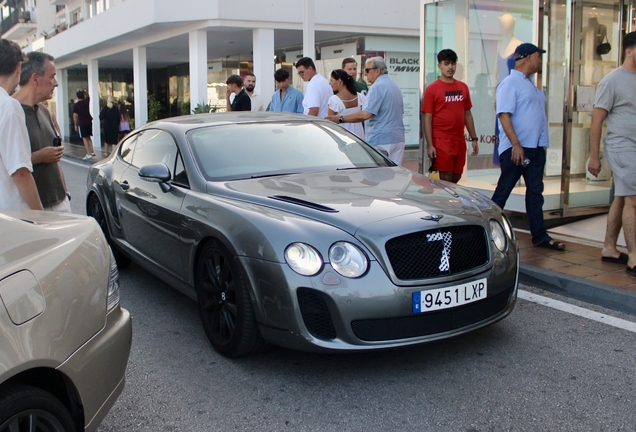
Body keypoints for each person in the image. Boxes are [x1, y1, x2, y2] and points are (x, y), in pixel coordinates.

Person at [491, 43, 565, 250]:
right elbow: (504, 115)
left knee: (535, 193)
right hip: (518, 149)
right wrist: (516, 144)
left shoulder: (531, 84)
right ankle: (485, 231)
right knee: (503, 192)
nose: (540, 61)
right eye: (538, 57)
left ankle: (540, 236)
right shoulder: (510, 83)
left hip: (535, 147)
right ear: (528, 58)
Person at [587, 32, 636, 275]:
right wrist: (594, 156)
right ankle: (634, 258)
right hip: (621, 146)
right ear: (629, 51)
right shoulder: (612, 80)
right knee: (633, 200)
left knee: (622, 196)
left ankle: (609, 247)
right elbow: (596, 120)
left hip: (634, 147)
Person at [13, 51, 70, 213]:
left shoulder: (45, 112)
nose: (56, 83)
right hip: (31, 211)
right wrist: (39, 157)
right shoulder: (9, 112)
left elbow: (55, 160)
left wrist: (65, 194)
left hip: (61, 202)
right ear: (36, 78)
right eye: (52, 76)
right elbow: (6, 164)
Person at [326, 57, 406, 164]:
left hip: (381, 140)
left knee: (379, 177)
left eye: (367, 70)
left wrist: (340, 118)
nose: (365, 74)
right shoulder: (394, 85)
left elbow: (366, 114)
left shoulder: (377, 87)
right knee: (395, 175)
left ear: (377, 71)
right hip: (398, 138)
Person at [422, 49, 478, 183]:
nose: (450, 67)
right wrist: (430, 145)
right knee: (445, 177)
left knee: (457, 175)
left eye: (453, 63)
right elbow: (427, 118)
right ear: (439, 65)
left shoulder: (463, 87)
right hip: (441, 139)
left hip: (459, 139)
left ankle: (450, 202)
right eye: (446, 63)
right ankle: (444, 203)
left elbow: (467, 114)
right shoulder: (432, 89)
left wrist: (474, 137)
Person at [0, 39, 43, 210]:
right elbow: (20, 172)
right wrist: (41, 215)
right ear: (18, 67)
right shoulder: (9, 107)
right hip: (11, 216)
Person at [327, 69, 366, 139]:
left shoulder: (334, 100)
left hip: (343, 136)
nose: (330, 83)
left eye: (331, 80)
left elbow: (331, 123)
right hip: (359, 135)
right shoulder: (360, 97)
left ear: (339, 81)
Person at [73, 88, 94, 160]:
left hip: (82, 122)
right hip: (89, 120)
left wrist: (75, 124)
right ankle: (92, 151)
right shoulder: (86, 101)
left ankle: (88, 153)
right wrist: (84, 91)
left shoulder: (76, 105)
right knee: (89, 137)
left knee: (84, 138)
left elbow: (75, 115)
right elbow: (88, 96)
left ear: (77, 96)